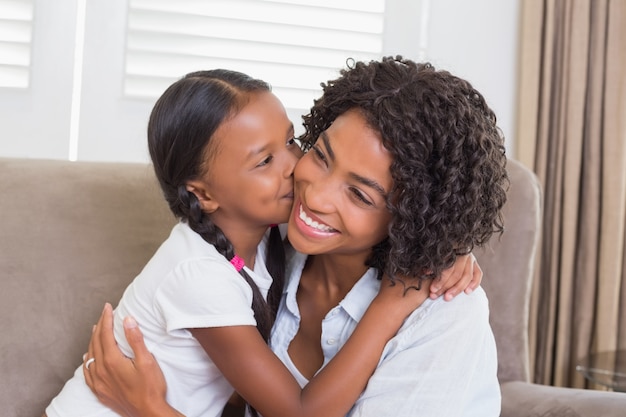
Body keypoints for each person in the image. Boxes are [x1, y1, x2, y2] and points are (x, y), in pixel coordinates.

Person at [44, 68, 478, 417]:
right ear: (204, 195)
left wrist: (446, 244)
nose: (297, 171)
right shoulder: (203, 272)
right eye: (319, 155)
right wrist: (389, 306)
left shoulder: (272, 239)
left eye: (291, 142)